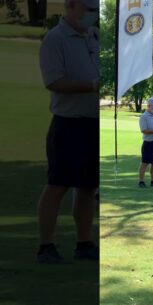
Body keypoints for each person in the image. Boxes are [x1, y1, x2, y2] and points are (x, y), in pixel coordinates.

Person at [37, 0, 99, 264]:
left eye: (97, 10)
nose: (94, 15)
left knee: (87, 186)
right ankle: (46, 246)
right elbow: (53, 81)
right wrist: (90, 86)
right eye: (90, 9)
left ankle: (83, 243)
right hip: (68, 122)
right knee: (58, 185)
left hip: (93, 123)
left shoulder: (95, 36)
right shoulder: (56, 39)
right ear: (71, 6)